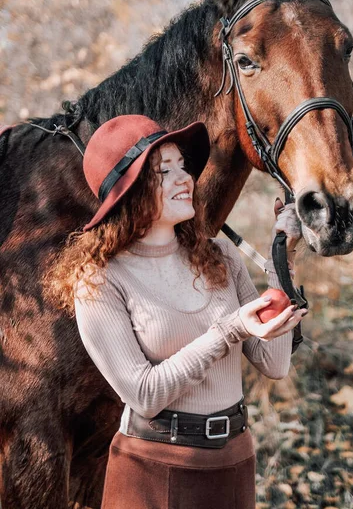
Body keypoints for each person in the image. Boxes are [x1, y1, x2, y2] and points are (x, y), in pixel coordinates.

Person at [49, 114, 307, 509]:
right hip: (154, 470)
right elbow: (145, 394)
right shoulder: (98, 280)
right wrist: (229, 330)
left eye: (182, 166)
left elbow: (274, 364)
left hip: (233, 458)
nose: (184, 178)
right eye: (163, 171)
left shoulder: (219, 254)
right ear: (129, 191)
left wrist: (280, 261)